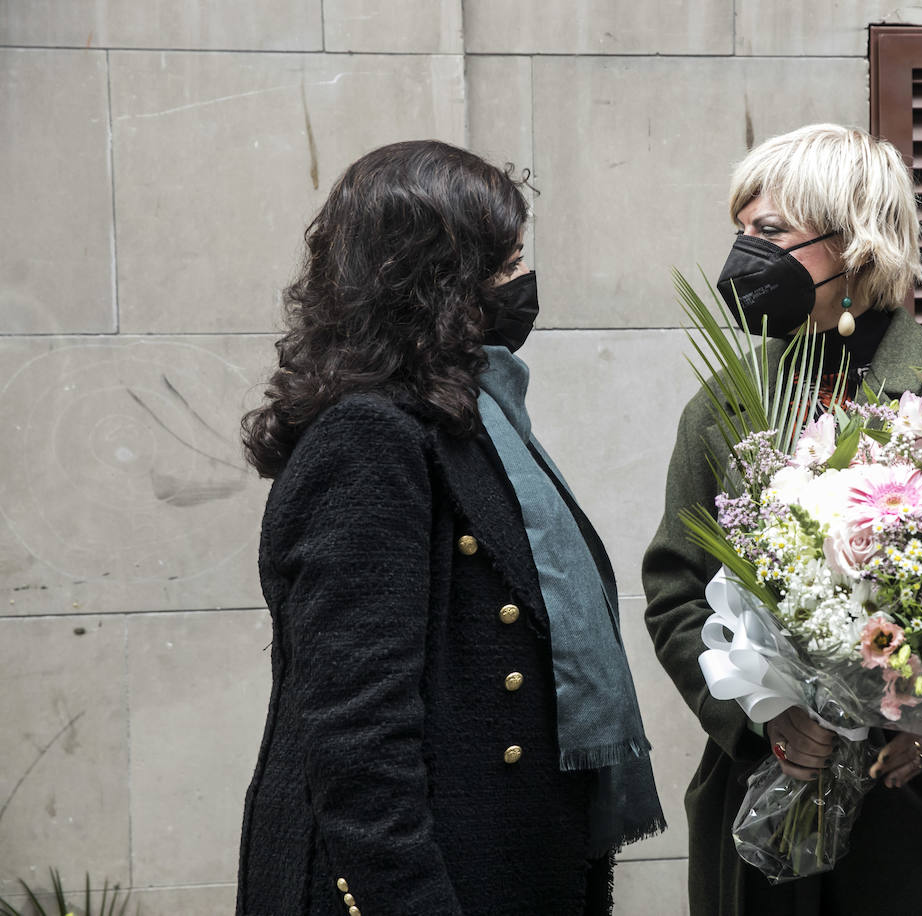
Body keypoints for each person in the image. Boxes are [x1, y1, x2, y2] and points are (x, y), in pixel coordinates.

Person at [236, 140, 664, 916]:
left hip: (509, 862)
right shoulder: (369, 441)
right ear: (437, 281)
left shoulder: (472, 422)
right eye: (505, 264)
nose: (521, 286)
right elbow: (359, 741)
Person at [642, 124, 922, 915]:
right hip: (768, 798)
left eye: (771, 231)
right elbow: (675, 591)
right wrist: (765, 716)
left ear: (854, 244)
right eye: (741, 231)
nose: (747, 253)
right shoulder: (722, 408)